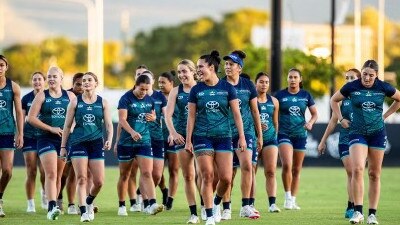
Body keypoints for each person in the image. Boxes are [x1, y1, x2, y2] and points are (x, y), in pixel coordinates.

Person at [330, 60, 400, 224]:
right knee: (358, 169)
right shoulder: (352, 86)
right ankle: (358, 212)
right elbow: (334, 100)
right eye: (364, 74)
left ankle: (372, 214)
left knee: (374, 174)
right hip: (357, 132)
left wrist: (385, 116)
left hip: (377, 133)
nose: (367, 78)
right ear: (361, 73)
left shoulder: (383, 87)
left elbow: (398, 99)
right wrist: (341, 118)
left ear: (376, 75)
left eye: (371, 75)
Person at [185, 50, 246, 225]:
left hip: (224, 137)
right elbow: (191, 117)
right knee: (207, 175)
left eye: (200, 67)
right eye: (197, 67)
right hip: (202, 137)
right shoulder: (196, 89)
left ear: (211, 67)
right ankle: (210, 215)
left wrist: (241, 137)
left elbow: (236, 114)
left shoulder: (227, 88)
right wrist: (188, 140)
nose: (198, 70)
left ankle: (217, 203)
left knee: (226, 178)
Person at [61, 72, 113, 222]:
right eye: (84, 80)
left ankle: (89, 201)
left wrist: (109, 139)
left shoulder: (103, 102)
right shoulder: (75, 102)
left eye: (90, 80)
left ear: (96, 83)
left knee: (99, 182)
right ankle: (83, 210)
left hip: (96, 143)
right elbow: (67, 126)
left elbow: (109, 125)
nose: (86, 82)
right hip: (78, 143)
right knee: (82, 178)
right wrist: (63, 147)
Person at [27, 66, 75, 220]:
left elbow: (78, 115)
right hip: (45, 138)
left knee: (59, 175)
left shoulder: (71, 96)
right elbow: (31, 118)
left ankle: (54, 204)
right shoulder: (42, 96)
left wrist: (71, 127)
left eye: (55, 76)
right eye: (49, 76)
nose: (51, 79)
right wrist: (51, 128)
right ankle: (51, 206)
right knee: (51, 173)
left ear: (62, 78)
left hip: (64, 140)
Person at [220, 50, 262, 220]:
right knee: (228, 173)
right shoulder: (220, 84)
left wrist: (260, 135)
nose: (228, 67)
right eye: (226, 64)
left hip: (246, 132)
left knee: (247, 166)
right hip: (225, 133)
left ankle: (245, 206)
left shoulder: (248, 85)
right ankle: (226, 207)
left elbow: (254, 110)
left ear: (239, 67)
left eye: (231, 64)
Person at [116, 75, 163, 216]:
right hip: (127, 141)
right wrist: (132, 132)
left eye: (146, 89)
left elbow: (154, 116)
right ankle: (122, 205)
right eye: (141, 89)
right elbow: (122, 120)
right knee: (125, 175)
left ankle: (152, 203)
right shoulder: (126, 98)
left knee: (147, 172)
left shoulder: (150, 100)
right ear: (135, 86)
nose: (144, 92)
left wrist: (154, 118)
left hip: (144, 140)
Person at [318, 68, 361, 219]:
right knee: (351, 171)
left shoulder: (362, 96)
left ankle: (353, 204)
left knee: (357, 172)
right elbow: (332, 121)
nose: (348, 81)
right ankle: (353, 207)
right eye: (346, 78)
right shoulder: (341, 97)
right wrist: (322, 141)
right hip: (344, 140)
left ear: (359, 79)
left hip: (361, 140)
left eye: (352, 78)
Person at [275, 68, 318, 210]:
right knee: (287, 164)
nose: (292, 80)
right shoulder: (280, 95)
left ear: (300, 79)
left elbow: (314, 114)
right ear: (287, 79)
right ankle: (287, 198)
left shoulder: (306, 95)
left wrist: (310, 123)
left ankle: (293, 200)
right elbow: (272, 112)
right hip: (284, 133)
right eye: (290, 77)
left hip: (300, 135)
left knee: (297, 169)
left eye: (295, 77)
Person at [165, 59, 199, 223]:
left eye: (185, 71)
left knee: (206, 175)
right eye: (179, 72)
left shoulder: (201, 89)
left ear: (193, 72)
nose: (181, 75)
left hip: (200, 136)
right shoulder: (175, 91)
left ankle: (210, 208)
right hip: (181, 137)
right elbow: (168, 115)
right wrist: (173, 133)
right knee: (188, 176)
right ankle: (193, 213)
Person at [138, 70, 167, 213]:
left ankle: (147, 196)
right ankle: (146, 202)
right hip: (143, 138)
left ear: (152, 82)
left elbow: (167, 115)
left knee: (157, 174)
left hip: (158, 138)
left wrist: (170, 132)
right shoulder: (135, 97)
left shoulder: (159, 96)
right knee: (146, 172)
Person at [0, 55, 24, 217]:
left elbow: (19, 112)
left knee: (8, 171)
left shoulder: (13, 87)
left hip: (7, 132)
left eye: (1, 65)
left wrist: (20, 133)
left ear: (6, 67)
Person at [255, 72, 281, 213]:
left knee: (271, 171)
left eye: (266, 82)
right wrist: (257, 126)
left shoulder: (274, 101)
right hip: (254, 139)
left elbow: (275, 121)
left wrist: (274, 135)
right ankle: (249, 203)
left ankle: (272, 203)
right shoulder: (251, 100)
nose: (264, 84)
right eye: (261, 82)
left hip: (270, 139)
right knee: (251, 171)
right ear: (255, 84)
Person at [21, 71, 47, 213]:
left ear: (44, 81)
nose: (37, 82)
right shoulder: (26, 98)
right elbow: (22, 117)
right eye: (35, 79)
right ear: (32, 82)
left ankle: (44, 193)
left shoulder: (49, 96)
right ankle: (30, 203)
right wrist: (19, 134)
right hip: (30, 137)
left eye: (40, 79)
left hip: (45, 137)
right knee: (31, 171)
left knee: (44, 172)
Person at [58, 72, 84, 214]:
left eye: (83, 83)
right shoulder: (68, 97)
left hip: (80, 139)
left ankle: (74, 204)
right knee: (63, 173)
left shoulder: (89, 98)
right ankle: (58, 197)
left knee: (77, 173)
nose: (80, 87)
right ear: (73, 84)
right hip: (65, 137)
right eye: (78, 84)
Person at [158, 71, 178, 209]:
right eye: (158, 82)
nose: (160, 85)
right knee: (157, 172)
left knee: (173, 170)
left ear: (171, 83)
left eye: (163, 82)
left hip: (174, 138)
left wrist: (173, 132)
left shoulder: (178, 96)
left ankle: (170, 200)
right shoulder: (155, 97)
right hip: (157, 138)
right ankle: (164, 189)